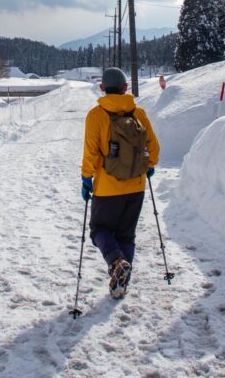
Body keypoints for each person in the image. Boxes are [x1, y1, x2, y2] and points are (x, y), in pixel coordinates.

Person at [81, 67, 160, 299]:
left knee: (99, 230)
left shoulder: (96, 115)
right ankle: (120, 285)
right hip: (136, 187)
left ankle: (116, 262)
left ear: (102, 88)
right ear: (126, 88)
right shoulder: (139, 113)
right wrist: (149, 165)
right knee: (126, 235)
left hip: (107, 188)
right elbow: (153, 147)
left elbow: (91, 153)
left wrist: (86, 178)